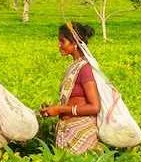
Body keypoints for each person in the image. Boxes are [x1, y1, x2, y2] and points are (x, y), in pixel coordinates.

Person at [39, 22, 102, 154]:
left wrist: (59, 109)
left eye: (62, 41)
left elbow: (94, 106)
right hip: (67, 130)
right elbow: (74, 99)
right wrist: (53, 108)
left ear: (74, 44)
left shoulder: (85, 69)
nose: (59, 45)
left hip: (81, 132)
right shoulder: (74, 66)